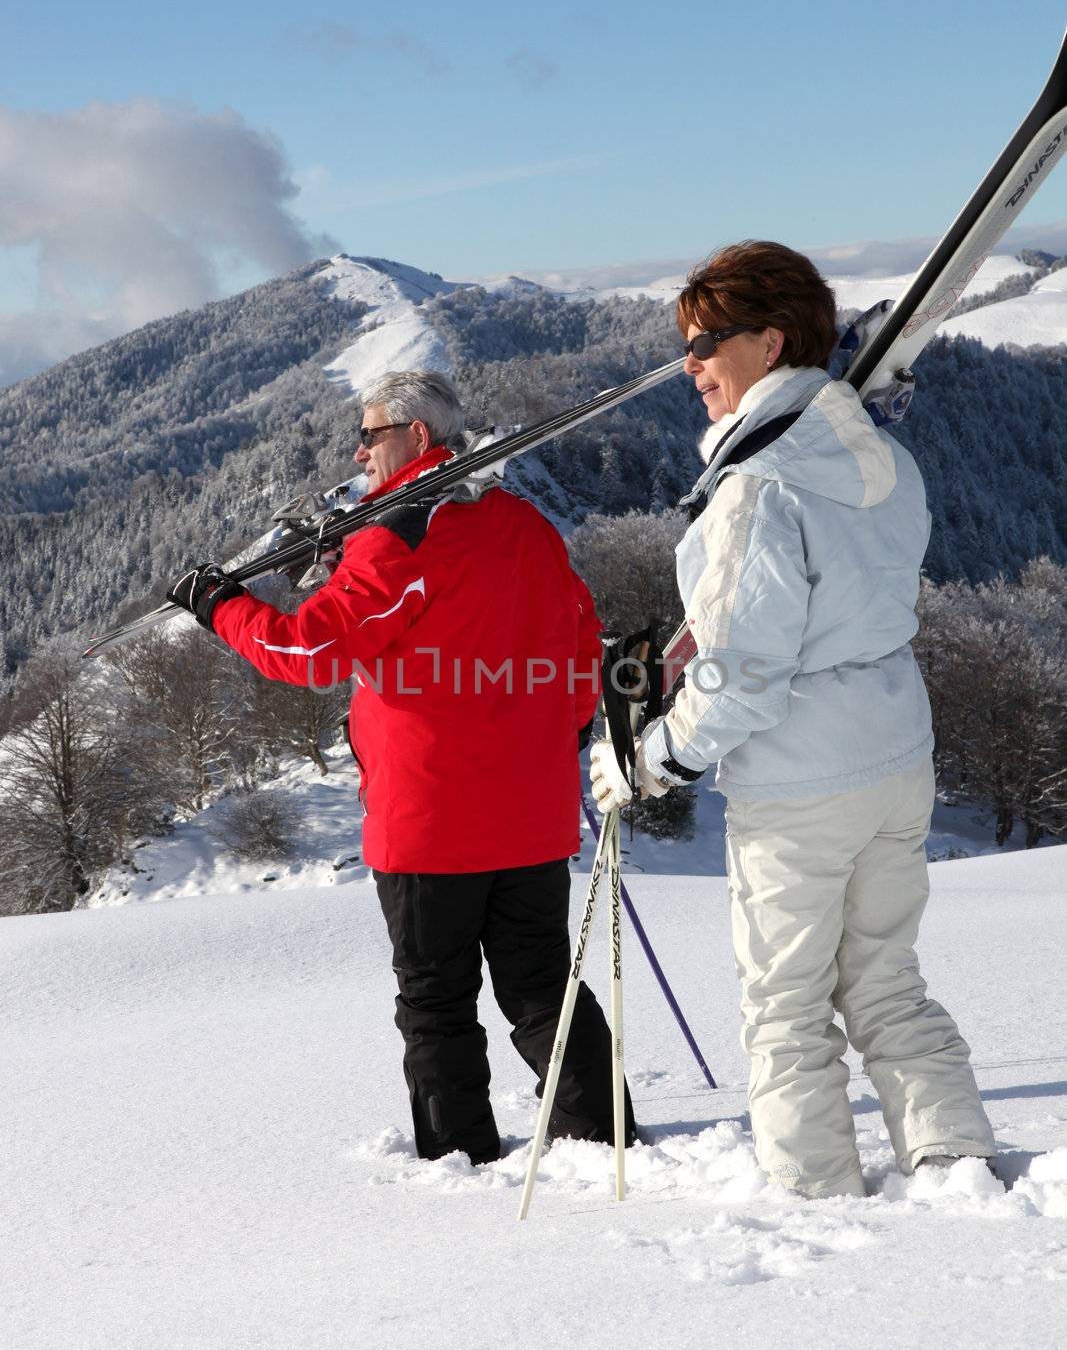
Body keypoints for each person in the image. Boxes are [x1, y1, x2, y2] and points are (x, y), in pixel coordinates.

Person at [591, 241, 995, 1200]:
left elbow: (744, 677)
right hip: (895, 753)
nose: (688, 366)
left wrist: (651, 762)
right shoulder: (879, 451)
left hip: (801, 782)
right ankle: (952, 1162)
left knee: (785, 1003)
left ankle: (815, 1201)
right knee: (884, 977)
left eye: (705, 345)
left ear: (768, 343)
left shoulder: (754, 488)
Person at [168, 369, 634, 1165]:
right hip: (530, 812)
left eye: (371, 433)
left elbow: (310, 650)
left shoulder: (399, 533)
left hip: (430, 822)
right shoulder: (523, 522)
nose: (359, 449)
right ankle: (601, 1136)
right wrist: (552, 736)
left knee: (435, 1001)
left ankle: (459, 1158)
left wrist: (220, 608)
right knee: (540, 988)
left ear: (417, 437)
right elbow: (579, 647)